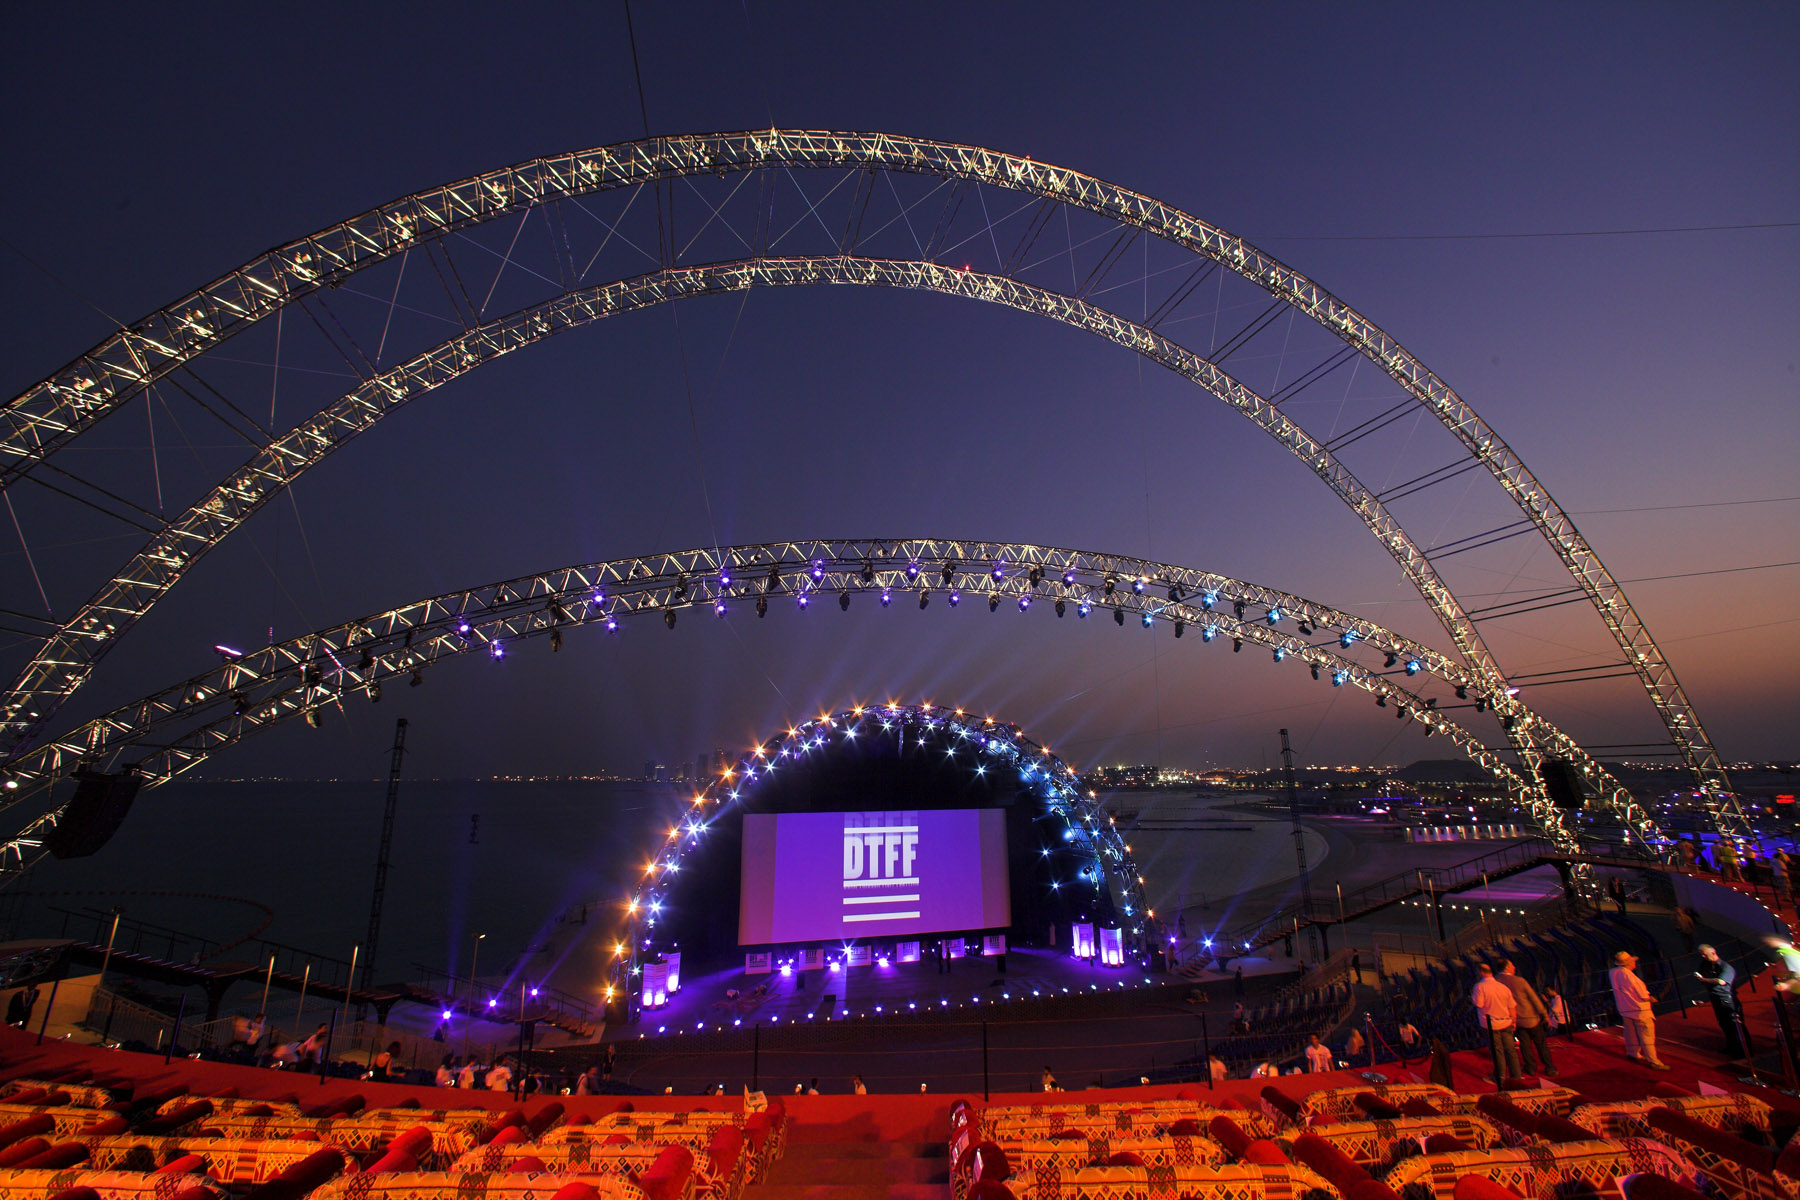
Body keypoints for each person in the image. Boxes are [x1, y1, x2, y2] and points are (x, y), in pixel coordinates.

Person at [1609, 950, 1668, 1069]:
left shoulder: (1613, 972)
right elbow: (1643, 996)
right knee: (1647, 1036)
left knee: (1630, 1033)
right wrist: (1652, 999)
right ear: (1629, 963)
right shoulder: (1631, 977)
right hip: (1639, 1010)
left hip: (1624, 1008)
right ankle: (1654, 1061)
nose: (1634, 963)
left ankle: (1633, 1053)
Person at [1498, 961, 1556, 1076]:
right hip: (1531, 1018)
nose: (1514, 967)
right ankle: (1549, 1067)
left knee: (1525, 1046)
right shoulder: (1519, 981)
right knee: (1541, 1044)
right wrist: (1544, 1014)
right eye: (1512, 965)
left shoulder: (1497, 981)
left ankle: (1530, 1068)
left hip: (1516, 1019)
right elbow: (1534, 999)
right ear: (1507, 967)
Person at [1471, 963, 1522, 1083]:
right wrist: (1514, 1021)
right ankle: (1516, 1076)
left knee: (1497, 1051)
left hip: (1491, 1024)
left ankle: (1499, 1077)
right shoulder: (1503, 987)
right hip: (1506, 1022)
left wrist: (1472, 998)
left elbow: (1479, 1004)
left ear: (1481, 973)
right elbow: (1511, 1006)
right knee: (1511, 1050)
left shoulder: (1480, 987)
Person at [1695, 944, 1745, 1057]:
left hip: (1727, 999)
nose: (1703, 957)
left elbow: (1721, 981)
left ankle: (1744, 1050)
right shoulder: (1706, 965)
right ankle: (1732, 1047)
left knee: (1735, 1024)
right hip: (1716, 998)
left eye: (1705, 954)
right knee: (1724, 1024)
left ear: (1713, 953)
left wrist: (1704, 979)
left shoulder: (1726, 968)